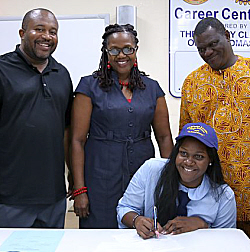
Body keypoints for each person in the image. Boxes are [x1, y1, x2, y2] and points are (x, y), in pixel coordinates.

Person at [71, 24, 173, 228]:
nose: (121, 55)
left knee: (142, 230)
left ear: (136, 50)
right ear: (106, 52)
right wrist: (80, 190)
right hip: (100, 173)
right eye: (114, 50)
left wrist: (171, 183)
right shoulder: (89, 86)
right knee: (99, 233)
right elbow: (77, 140)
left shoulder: (152, 88)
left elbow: (164, 138)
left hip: (141, 170)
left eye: (128, 48)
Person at [0, 8, 73, 228]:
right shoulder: (2, 69)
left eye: (53, 31)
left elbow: (67, 131)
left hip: (53, 197)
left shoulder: (61, 74)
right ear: (22, 33)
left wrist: (74, 178)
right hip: (9, 198)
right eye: (39, 29)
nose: (47, 37)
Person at [179, 17, 250, 232]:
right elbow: (186, 139)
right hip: (210, 192)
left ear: (227, 36)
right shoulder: (192, 83)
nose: (208, 52)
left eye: (213, 44)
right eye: (202, 49)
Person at [117, 122, 236, 239]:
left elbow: (227, 241)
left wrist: (202, 225)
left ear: (211, 160)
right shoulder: (151, 170)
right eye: (183, 153)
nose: (189, 162)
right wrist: (137, 220)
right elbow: (125, 208)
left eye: (198, 156)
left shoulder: (223, 196)